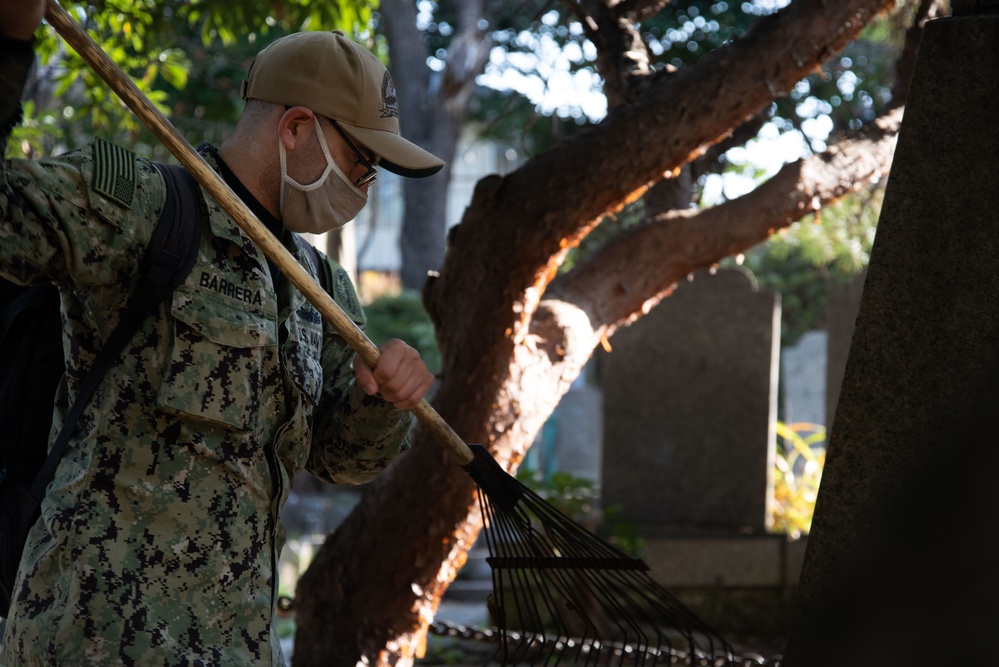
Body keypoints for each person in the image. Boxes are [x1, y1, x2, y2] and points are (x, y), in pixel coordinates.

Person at [0, 2, 443, 664]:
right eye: (361, 161)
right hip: (93, 637)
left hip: (234, 645)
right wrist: (9, 46)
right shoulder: (142, 210)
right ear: (296, 127)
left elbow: (339, 459)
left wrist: (381, 401)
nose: (365, 185)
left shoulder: (319, 289)